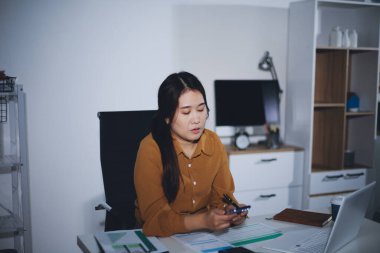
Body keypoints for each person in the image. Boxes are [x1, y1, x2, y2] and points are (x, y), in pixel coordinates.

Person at [134, 71, 247, 237]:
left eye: (201, 110)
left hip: (203, 235)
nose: (196, 119)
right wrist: (202, 221)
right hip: (161, 237)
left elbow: (222, 196)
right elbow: (155, 220)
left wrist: (229, 211)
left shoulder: (213, 142)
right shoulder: (150, 148)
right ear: (166, 117)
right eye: (186, 112)